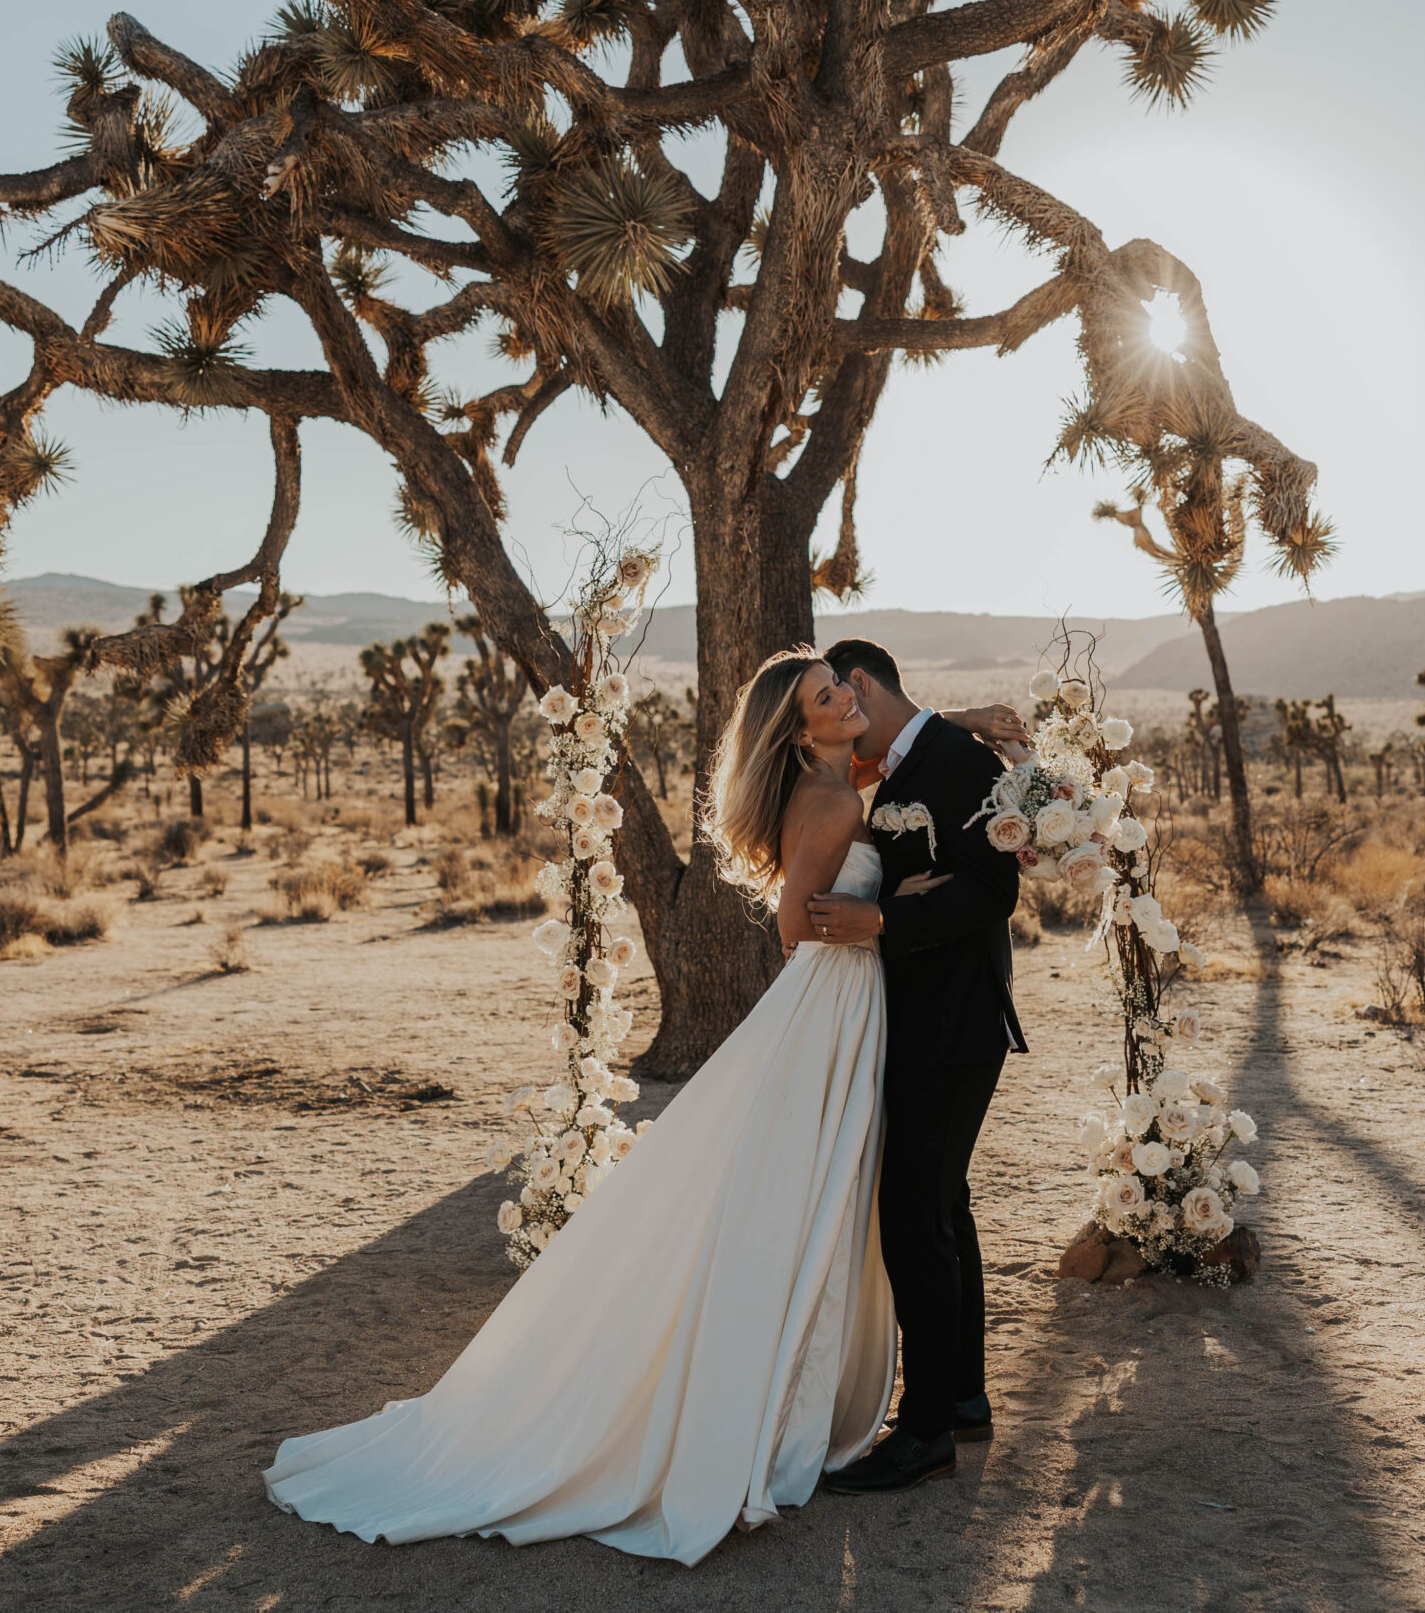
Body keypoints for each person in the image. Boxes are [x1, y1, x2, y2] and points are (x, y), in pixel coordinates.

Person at [263, 648, 1022, 1563]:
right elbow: (794, 925)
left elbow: (940, 801)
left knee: (914, 1204)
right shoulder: (832, 796)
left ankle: (949, 1404)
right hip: (840, 1000)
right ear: (807, 720)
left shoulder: (859, 772)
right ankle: (926, 1413)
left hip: (891, 1013)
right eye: (826, 694)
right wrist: (875, 910)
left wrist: (962, 728)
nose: (843, 699)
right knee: (879, 1203)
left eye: (842, 685)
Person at [807, 638, 1029, 1495]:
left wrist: (883, 925)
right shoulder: (907, 763)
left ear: (858, 685)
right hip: (924, 1022)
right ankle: (962, 1398)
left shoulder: (951, 763)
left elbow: (992, 892)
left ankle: (925, 1427)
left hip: (954, 1023)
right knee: (941, 1204)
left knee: (912, 1213)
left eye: (838, 691)